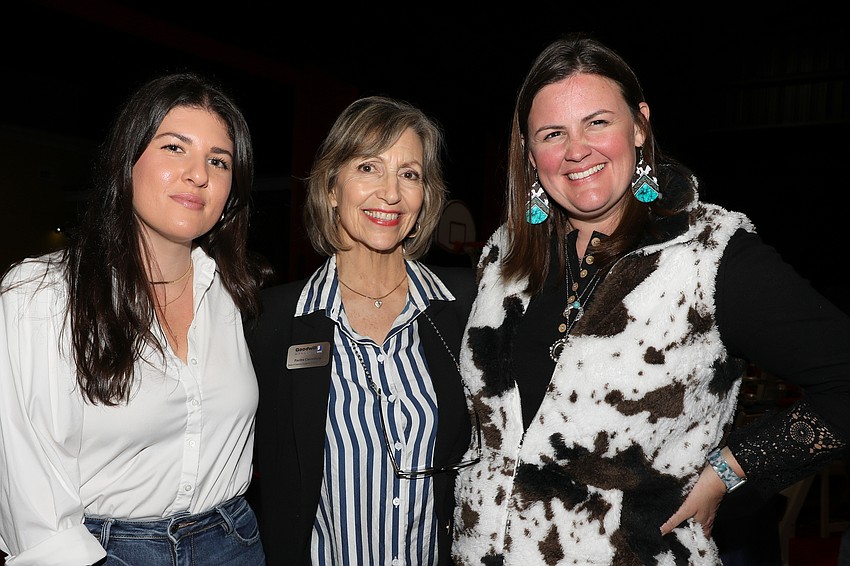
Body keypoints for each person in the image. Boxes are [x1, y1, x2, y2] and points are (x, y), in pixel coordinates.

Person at [450, 33, 850, 565]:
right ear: (528, 152)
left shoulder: (709, 252)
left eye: (598, 122)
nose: (576, 150)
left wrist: (733, 470)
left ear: (639, 125)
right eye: (552, 133)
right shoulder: (503, 257)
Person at [0, 72, 269, 565]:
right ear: (128, 161)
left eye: (218, 161)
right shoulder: (41, 294)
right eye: (174, 148)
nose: (198, 174)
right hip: (103, 551)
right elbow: (27, 482)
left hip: (234, 543)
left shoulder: (233, 295)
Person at [246, 95, 477, 565]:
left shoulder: (469, 307)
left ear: (425, 196)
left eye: (409, 174)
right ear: (332, 187)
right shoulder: (270, 321)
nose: (390, 193)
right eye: (369, 168)